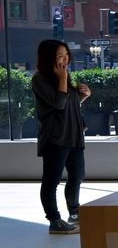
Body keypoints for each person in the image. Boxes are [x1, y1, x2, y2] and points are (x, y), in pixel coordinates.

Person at [31, 40, 89, 235]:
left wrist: (82, 96)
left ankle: (74, 212)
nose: (64, 60)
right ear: (49, 58)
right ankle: (54, 220)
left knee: (77, 175)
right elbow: (57, 104)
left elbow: (67, 104)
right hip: (55, 137)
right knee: (51, 181)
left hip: (73, 135)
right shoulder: (39, 79)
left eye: (66, 55)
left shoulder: (64, 75)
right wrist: (63, 79)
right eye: (59, 56)